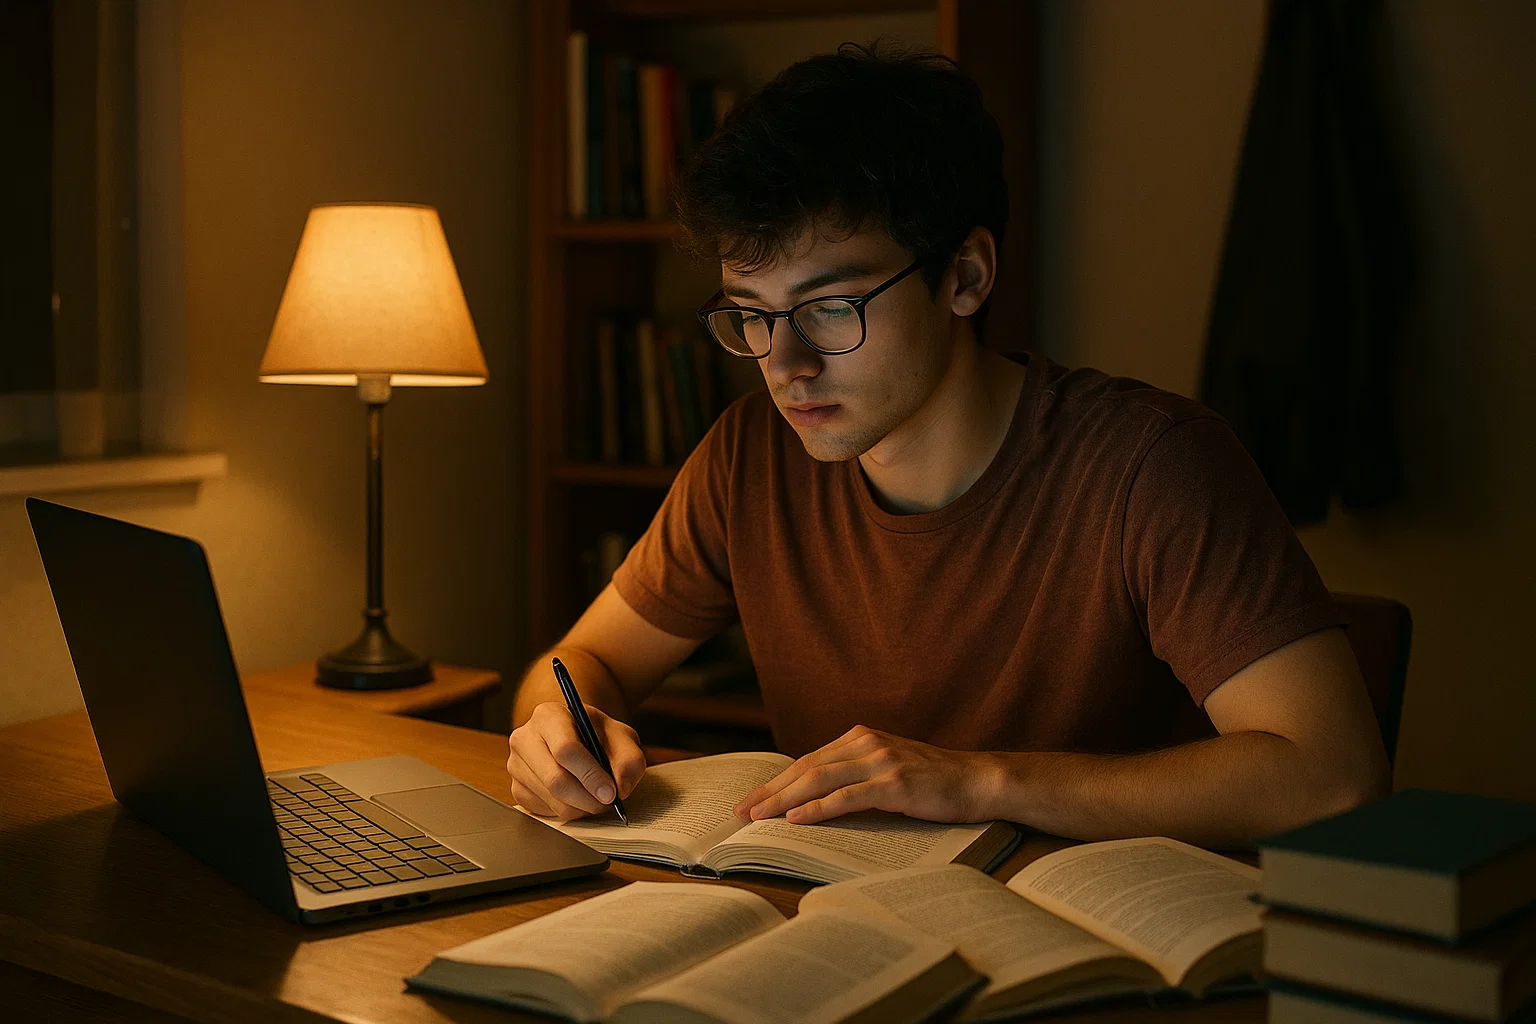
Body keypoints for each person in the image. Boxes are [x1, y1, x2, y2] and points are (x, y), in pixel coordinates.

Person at [508, 44, 1389, 848]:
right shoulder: (749, 458)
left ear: (965, 277)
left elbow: (1334, 776)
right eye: (751, 314)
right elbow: (579, 665)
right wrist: (556, 729)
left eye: (829, 308)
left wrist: (979, 780)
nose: (785, 365)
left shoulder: (1150, 464)